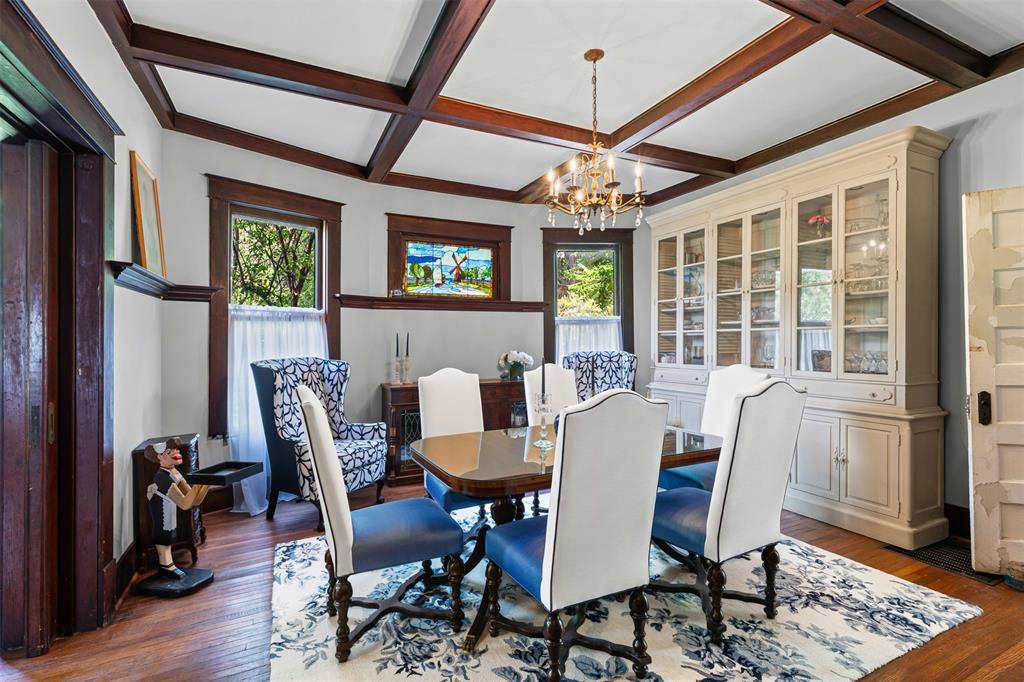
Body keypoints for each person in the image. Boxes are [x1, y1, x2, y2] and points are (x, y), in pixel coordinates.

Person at [145, 437, 210, 580]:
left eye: (176, 450)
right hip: (161, 508)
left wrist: (206, 483)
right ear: (160, 457)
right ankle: (166, 566)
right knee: (164, 534)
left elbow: (193, 499)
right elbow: (185, 503)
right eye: (170, 451)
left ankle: (168, 565)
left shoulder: (174, 472)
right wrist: (202, 482)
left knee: (171, 533)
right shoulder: (161, 477)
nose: (176, 453)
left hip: (170, 507)